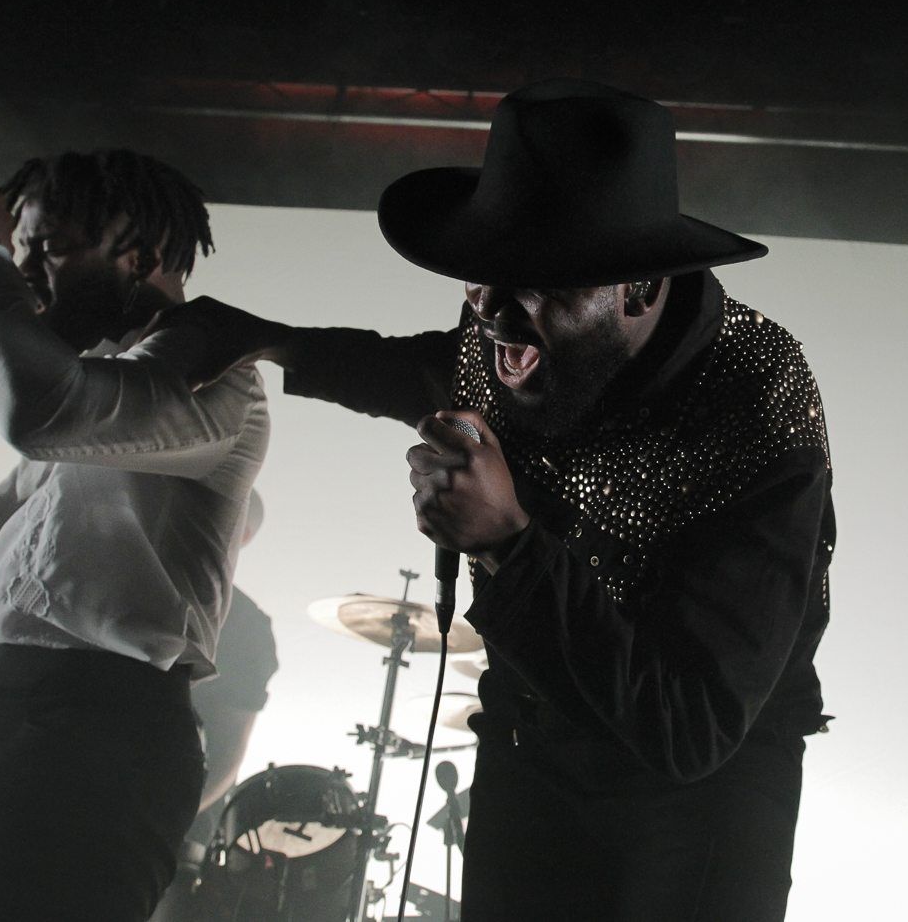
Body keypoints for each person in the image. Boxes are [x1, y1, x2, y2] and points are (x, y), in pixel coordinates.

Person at [148, 79, 835, 921]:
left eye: (540, 282)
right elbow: (419, 369)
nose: (496, 314)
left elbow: (689, 725)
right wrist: (271, 341)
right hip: (532, 742)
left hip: (700, 799)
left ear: (639, 288)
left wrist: (509, 544)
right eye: (484, 276)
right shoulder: (505, 336)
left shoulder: (753, 401)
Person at [0, 149, 270, 922]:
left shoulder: (214, 376)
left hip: (102, 741)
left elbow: (38, 409)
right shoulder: (94, 399)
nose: (27, 271)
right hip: (1, 720)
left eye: (51, 247)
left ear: (140, 257)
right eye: (21, 250)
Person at [150, 490, 279, 922]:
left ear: (243, 536)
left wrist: (165, 822)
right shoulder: (140, 582)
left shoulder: (244, 624)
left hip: (169, 834)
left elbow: (226, 756)